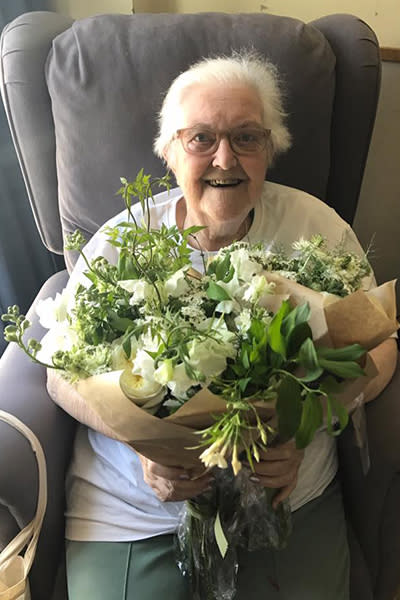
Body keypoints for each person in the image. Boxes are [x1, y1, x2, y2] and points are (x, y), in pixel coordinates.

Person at [60, 52, 397, 599]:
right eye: (201, 139)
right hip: (136, 509)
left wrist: (311, 420)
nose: (225, 158)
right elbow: (60, 374)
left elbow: (381, 349)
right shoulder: (122, 239)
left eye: (247, 137)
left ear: (271, 149)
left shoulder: (316, 227)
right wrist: (147, 448)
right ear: (169, 152)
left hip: (288, 496)